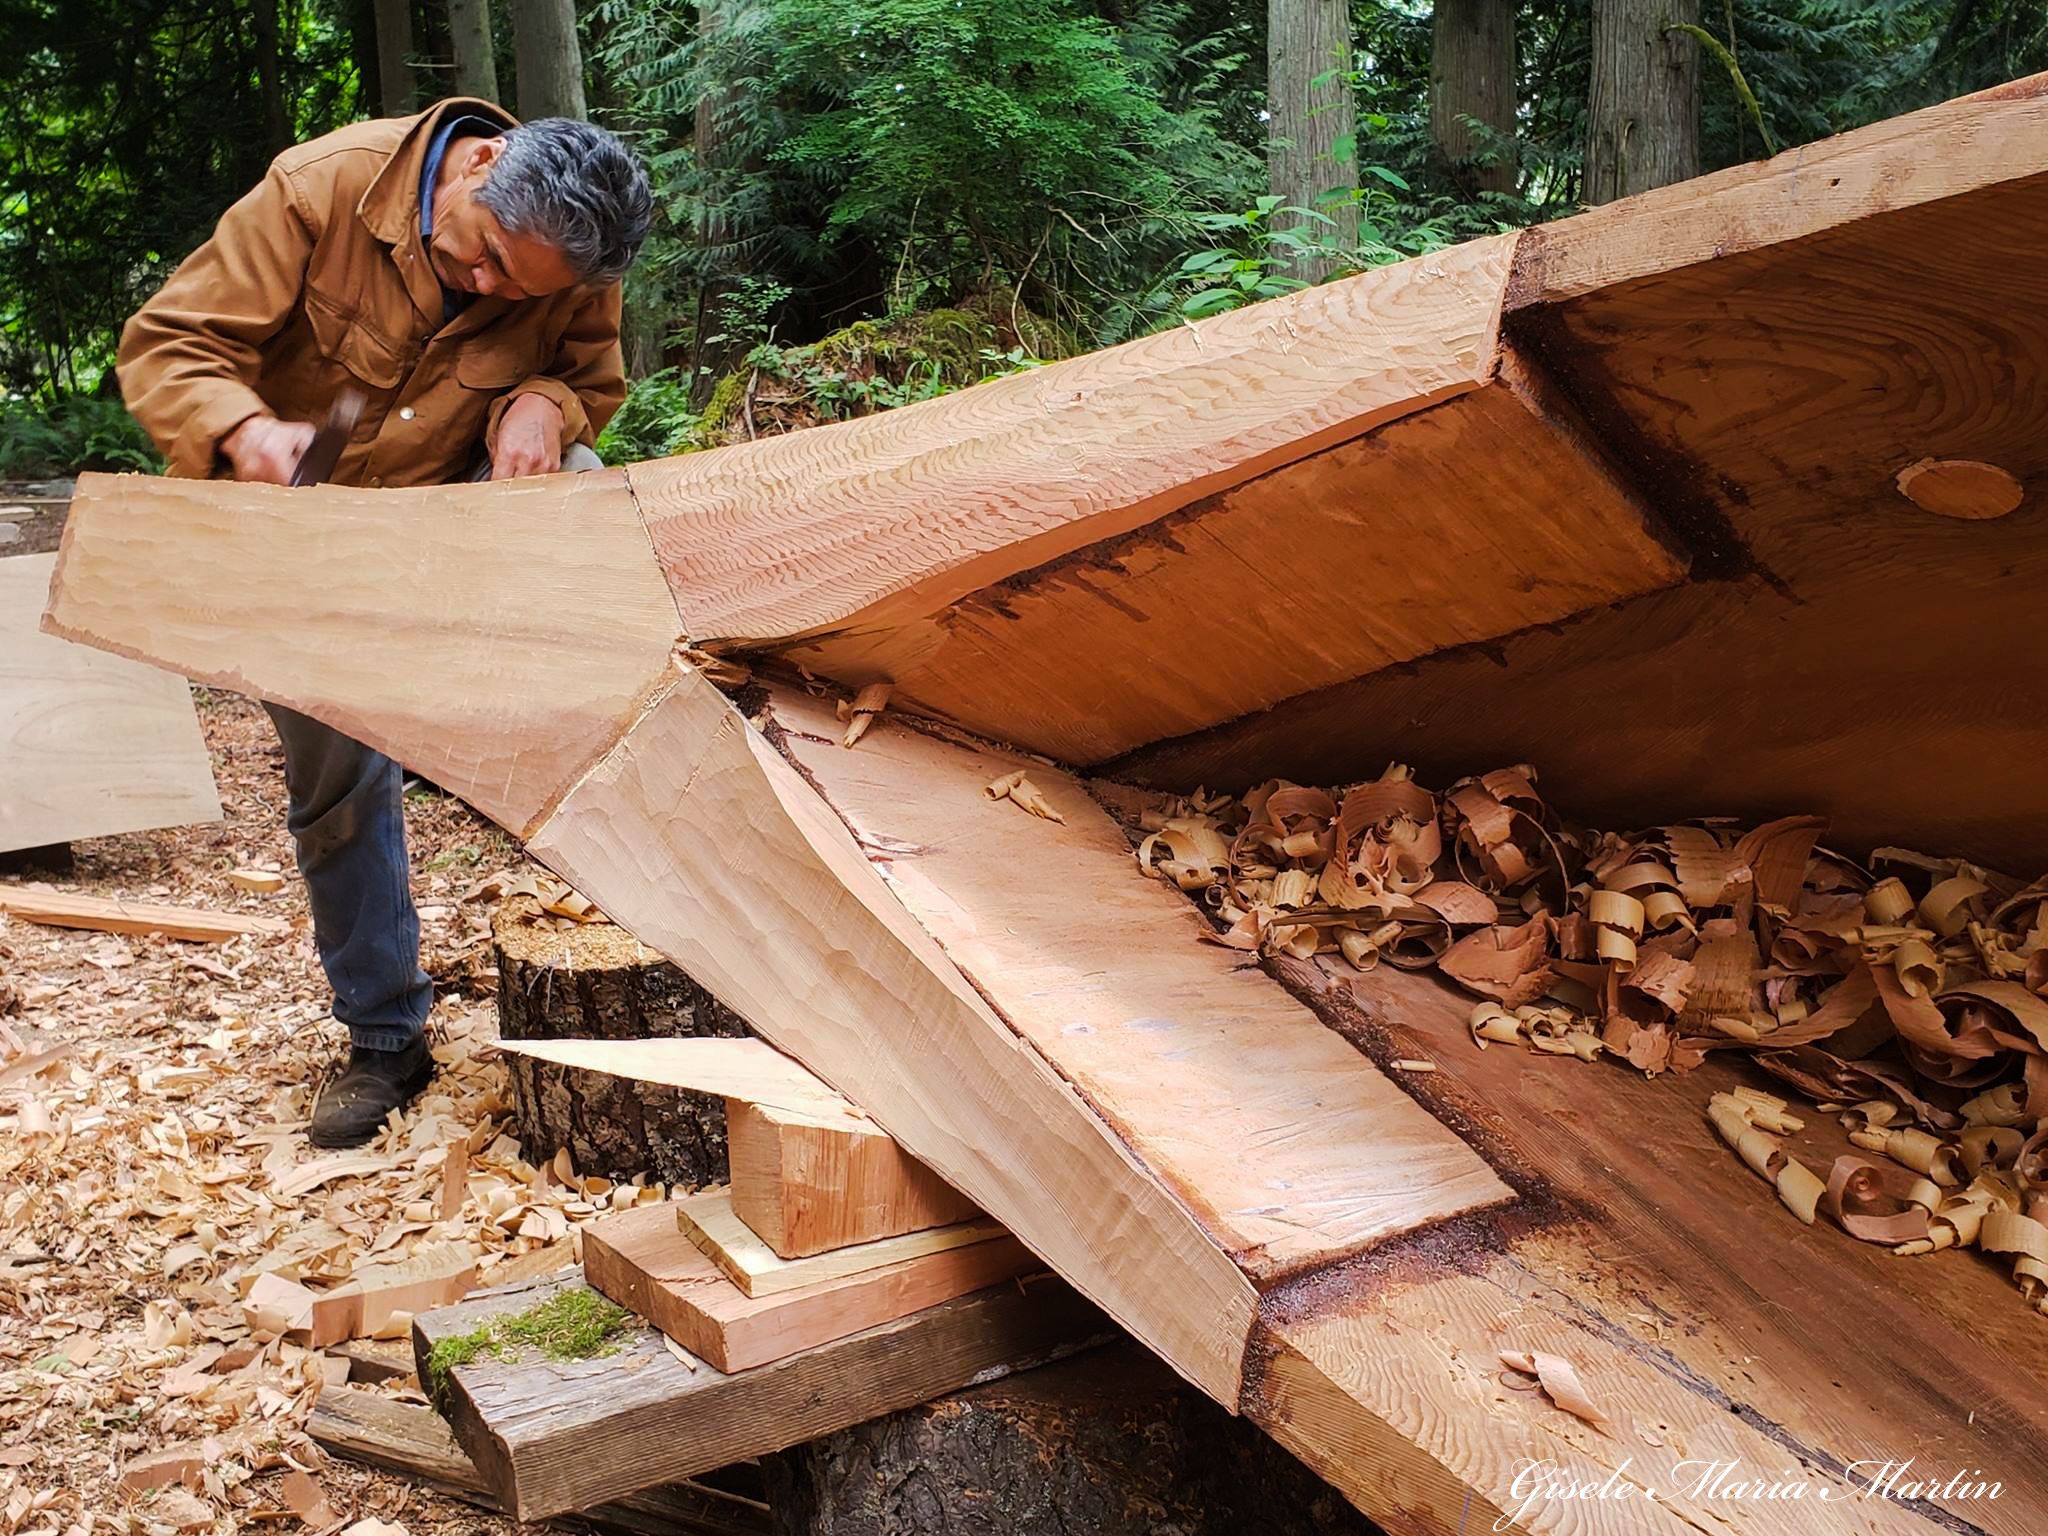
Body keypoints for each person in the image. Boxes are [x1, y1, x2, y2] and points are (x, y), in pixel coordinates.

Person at [117, 98, 653, 1148]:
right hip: (303, 520)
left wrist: (545, 400)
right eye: (485, 256)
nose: (487, 288)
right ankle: (383, 1035)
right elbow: (168, 343)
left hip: (453, 496)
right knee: (338, 778)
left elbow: (589, 379)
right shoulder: (320, 188)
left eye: (516, 289)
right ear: (481, 163)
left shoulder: (569, 252)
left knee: (585, 491)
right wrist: (244, 430)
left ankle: (628, 907)